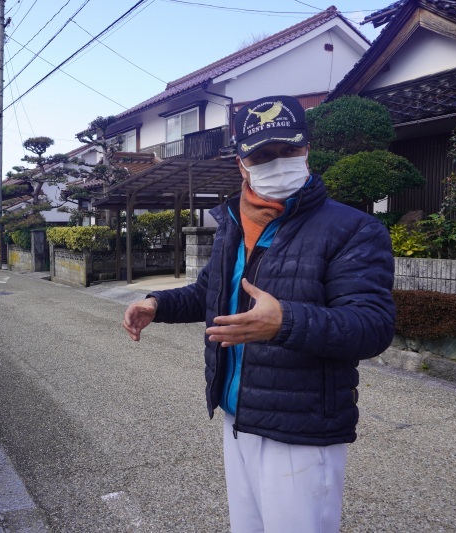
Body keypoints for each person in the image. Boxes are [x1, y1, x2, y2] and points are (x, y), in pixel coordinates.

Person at [123, 95, 396, 532]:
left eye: (290, 150)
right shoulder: (234, 222)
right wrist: (157, 303)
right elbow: (210, 293)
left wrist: (284, 322)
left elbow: (372, 326)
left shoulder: (354, 230)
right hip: (239, 413)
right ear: (242, 163)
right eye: (264, 154)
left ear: (307, 148)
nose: (280, 161)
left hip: (301, 427)